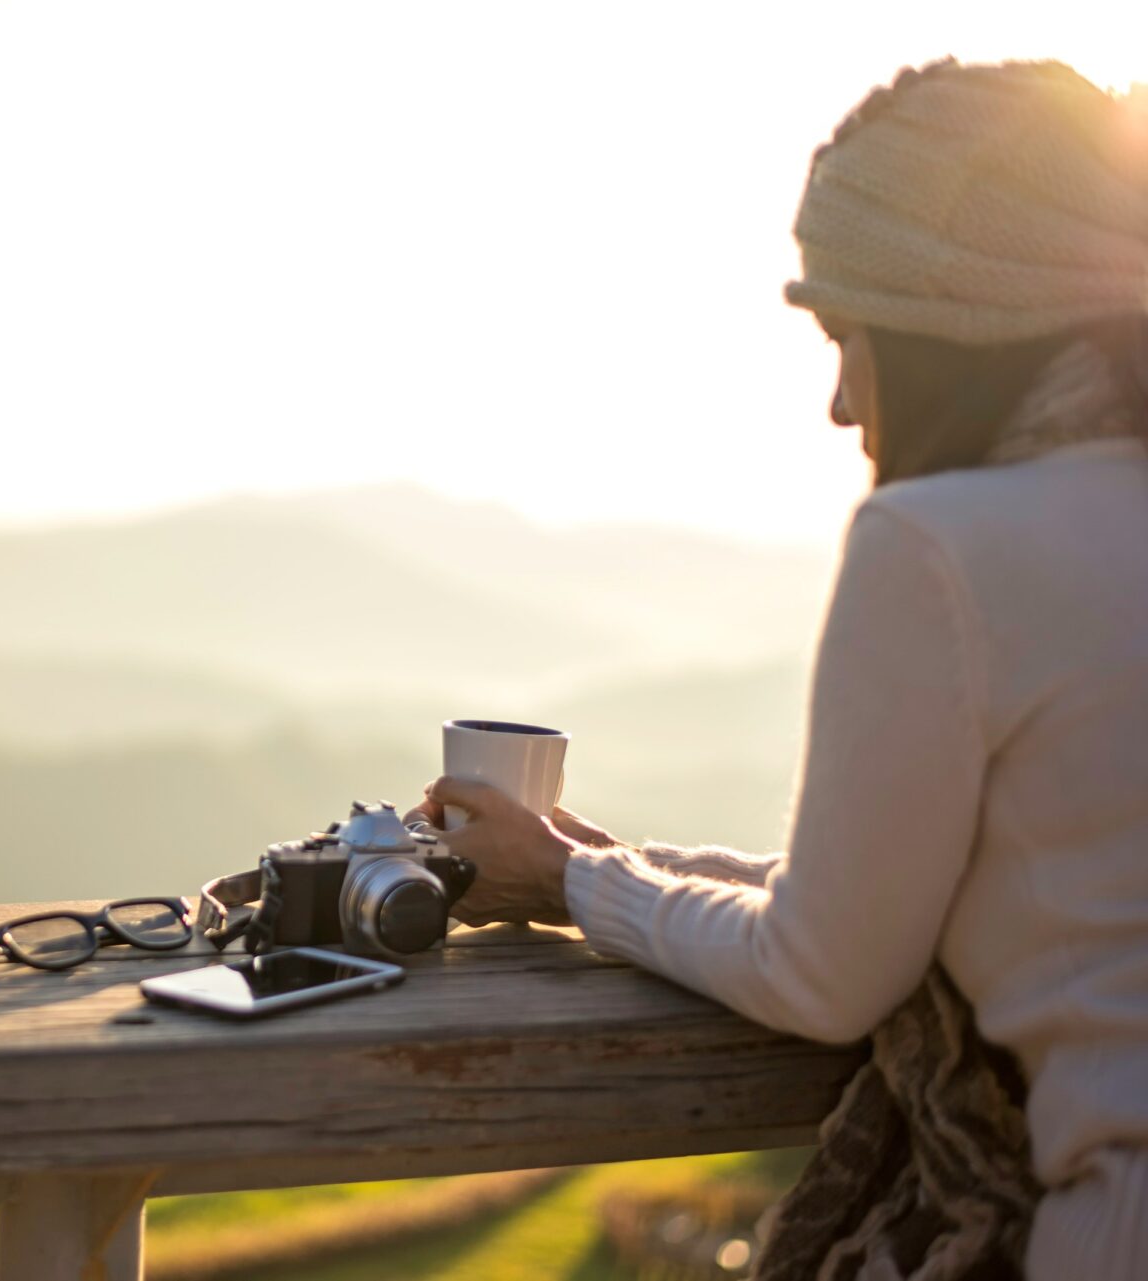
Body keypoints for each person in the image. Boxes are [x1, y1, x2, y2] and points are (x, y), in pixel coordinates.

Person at [407, 59, 1148, 1277]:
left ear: (950, 324)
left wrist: (572, 884)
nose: (842, 403)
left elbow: (825, 971)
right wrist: (601, 866)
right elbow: (899, 902)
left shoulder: (940, 543)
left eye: (848, 336)